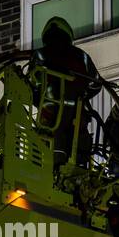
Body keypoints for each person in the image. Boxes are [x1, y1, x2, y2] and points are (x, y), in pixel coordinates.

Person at [28, 16, 101, 168]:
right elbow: (96, 85)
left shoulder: (40, 54)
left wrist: (39, 101)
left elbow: (31, 86)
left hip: (50, 118)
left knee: (48, 162)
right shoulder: (82, 56)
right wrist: (80, 97)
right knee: (78, 163)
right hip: (77, 118)